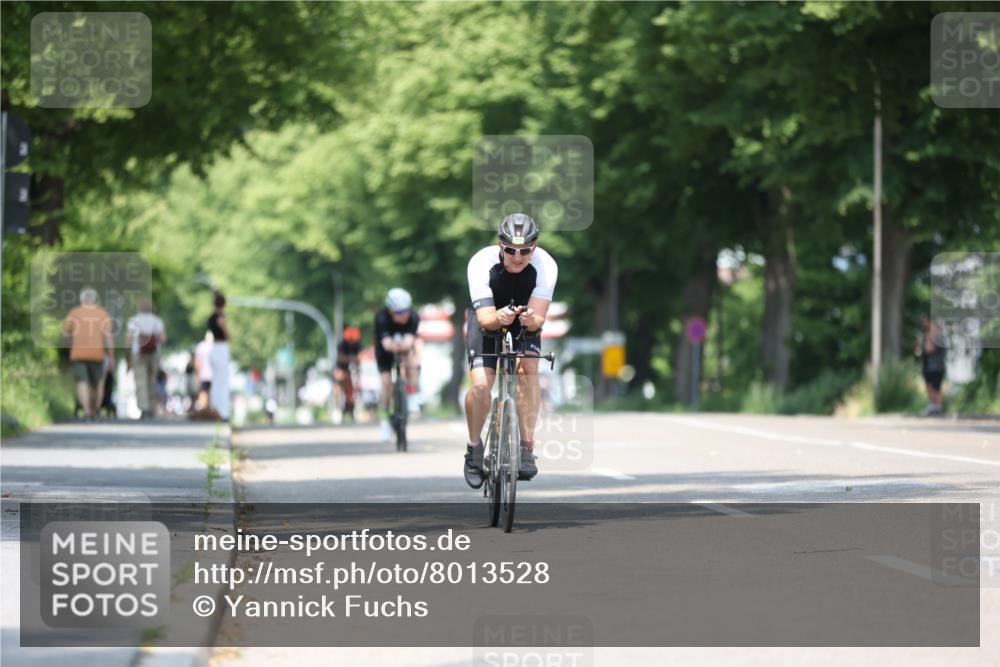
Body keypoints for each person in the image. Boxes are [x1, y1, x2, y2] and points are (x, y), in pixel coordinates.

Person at [463, 213, 557, 487]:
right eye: (511, 250)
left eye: (525, 251)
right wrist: (499, 318)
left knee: (528, 369)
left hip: (524, 319)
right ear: (500, 246)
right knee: (481, 386)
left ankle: (526, 446)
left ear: (534, 249)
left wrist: (529, 321)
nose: (518, 257)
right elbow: (485, 320)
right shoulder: (481, 262)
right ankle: (474, 447)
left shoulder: (546, 266)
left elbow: (539, 319)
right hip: (488, 316)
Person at [374, 288, 421, 442]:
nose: (404, 315)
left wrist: (403, 346)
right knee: (386, 383)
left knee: (411, 363)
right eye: (400, 313)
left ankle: (413, 397)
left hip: (403, 345)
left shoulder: (413, 317)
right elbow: (387, 345)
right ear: (391, 311)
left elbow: (409, 342)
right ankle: (384, 422)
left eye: (406, 311)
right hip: (384, 350)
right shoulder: (381, 318)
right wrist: (396, 345)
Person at [62, 287, 115, 421]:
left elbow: (66, 334)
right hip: (98, 354)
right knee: (97, 384)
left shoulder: (74, 313)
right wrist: (111, 357)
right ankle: (94, 410)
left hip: (78, 354)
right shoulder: (102, 313)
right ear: (95, 300)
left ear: (82, 300)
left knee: (82, 382)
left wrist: (70, 345)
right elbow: (108, 337)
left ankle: (86, 411)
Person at [125, 299, 167, 419]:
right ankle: (152, 407)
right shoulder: (157, 321)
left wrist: (127, 354)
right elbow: (163, 339)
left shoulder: (134, 321)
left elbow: (128, 341)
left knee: (140, 381)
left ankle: (144, 408)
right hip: (154, 353)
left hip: (138, 353)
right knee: (152, 380)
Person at [207, 292, 232, 421]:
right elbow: (228, 336)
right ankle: (223, 412)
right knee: (223, 382)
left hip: (213, 349)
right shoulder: (221, 317)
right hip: (221, 349)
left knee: (216, 381)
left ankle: (215, 408)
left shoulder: (210, 318)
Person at [917, 316, 946, 416]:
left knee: (936, 388)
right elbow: (918, 347)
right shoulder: (926, 335)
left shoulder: (937, 337)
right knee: (930, 387)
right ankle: (933, 406)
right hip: (928, 366)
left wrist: (929, 335)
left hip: (937, 367)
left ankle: (937, 407)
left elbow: (930, 349)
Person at [333, 326, 362, 423]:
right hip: (342, 368)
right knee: (337, 387)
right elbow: (341, 358)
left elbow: (360, 358)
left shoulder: (358, 345)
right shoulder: (342, 345)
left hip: (353, 368)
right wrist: (351, 359)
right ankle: (337, 409)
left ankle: (353, 406)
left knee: (355, 387)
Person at [193, 330, 214, 411]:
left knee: (203, 392)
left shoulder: (201, 346)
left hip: (204, 374)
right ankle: (208, 409)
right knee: (210, 392)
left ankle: (203, 409)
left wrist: (198, 374)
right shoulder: (216, 346)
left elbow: (197, 362)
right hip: (213, 375)